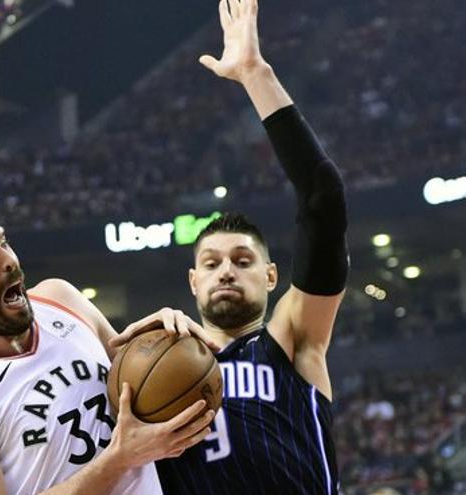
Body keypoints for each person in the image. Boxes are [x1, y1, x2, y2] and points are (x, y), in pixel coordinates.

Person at [112, 0, 349, 493]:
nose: (226, 271)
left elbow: (323, 197)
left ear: (270, 276)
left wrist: (255, 74)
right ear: (193, 282)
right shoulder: (146, 368)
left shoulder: (292, 340)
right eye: (212, 262)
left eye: (243, 261)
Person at [0, 207, 216, 495]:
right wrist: (118, 460)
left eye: (3, 243)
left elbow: (141, 387)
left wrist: (167, 341)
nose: (9, 260)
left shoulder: (61, 299)